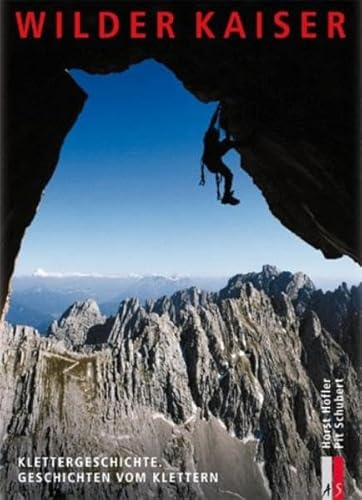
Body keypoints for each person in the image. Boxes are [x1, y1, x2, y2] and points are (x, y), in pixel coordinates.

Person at [201, 105, 240, 206]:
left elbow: (224, 138)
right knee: (229, 174)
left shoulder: (213, 140)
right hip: (212, 161)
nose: (218, 137)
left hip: (214, 160)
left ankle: (226, 195)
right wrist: (217, 111)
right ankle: (226, 195)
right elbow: (212, 122)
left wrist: (219, 113)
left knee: (228, 142)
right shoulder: (209, 138)